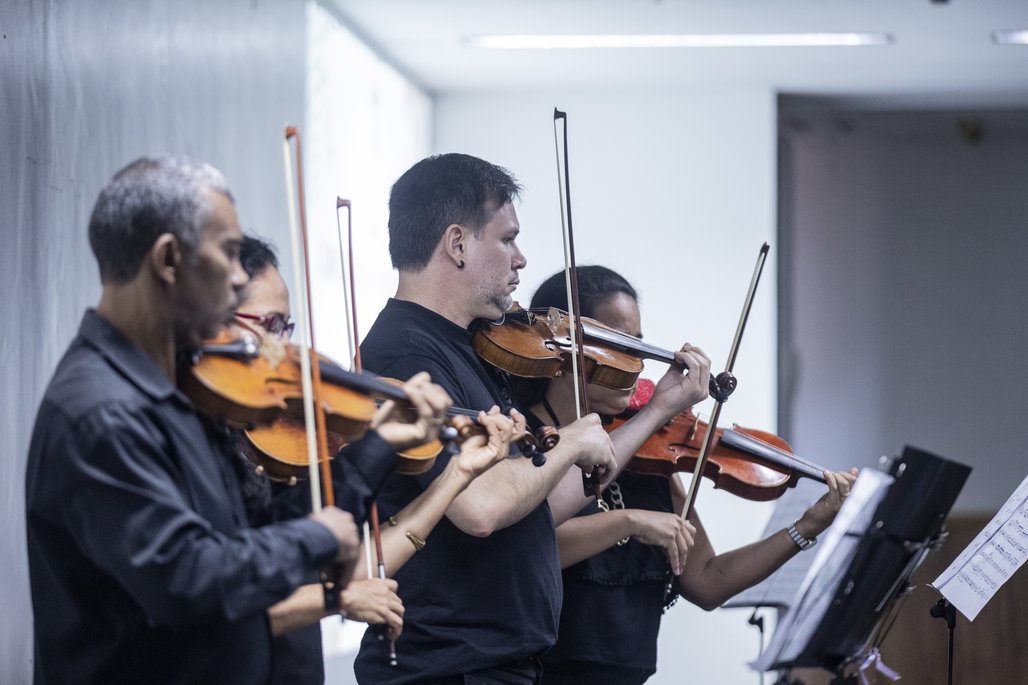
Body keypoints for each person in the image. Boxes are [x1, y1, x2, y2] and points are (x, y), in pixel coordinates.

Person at [354, 153, 711, 685]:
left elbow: (538, 507)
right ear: (457, 244)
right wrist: (569, 442)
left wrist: (658, 409)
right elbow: (480, 507)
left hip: (494, 664)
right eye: (507, 239)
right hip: (447, 666)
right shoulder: (407, 354)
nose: (521, 260)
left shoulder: (472, 347)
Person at [24, 156, 362, 684]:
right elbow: (191, 578)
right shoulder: (102, 413)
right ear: (168, 259)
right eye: (227, 252)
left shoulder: (175, 392)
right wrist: (317, 537)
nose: (238, 276)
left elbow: (250, 532)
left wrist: (367, 448)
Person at [518, 266, 858, 685]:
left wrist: (806, 527)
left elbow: (708, 581)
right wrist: (628, 521)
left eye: (638, 345)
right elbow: (527, 542)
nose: (637, 363)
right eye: (620, 345)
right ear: (564, 343)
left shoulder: (650, 453)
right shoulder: (528, 439)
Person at [230, 235, 522, 683]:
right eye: (270, 325)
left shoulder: (274, 442)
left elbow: (331, 572)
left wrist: (455, 476)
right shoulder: (188, 445)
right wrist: (336, 599)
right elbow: (211, 607)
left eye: (286, 328)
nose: (284, 352)